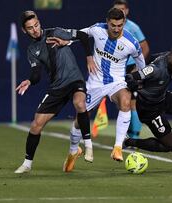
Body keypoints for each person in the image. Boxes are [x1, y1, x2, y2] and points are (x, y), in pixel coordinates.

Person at [49, 8, 146, 162]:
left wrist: (138, 78)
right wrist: (66, 41)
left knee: (126, 101)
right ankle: (73, 150)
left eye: (119, 25)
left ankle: (118, 148)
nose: (116, 29)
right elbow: (80, 34)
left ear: (123, 23)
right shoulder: (98, 29)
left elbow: (142, 64)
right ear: (107, 22)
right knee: (81, 119)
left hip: (116, 82)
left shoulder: (131, 43)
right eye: (113, 25)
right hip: (94, 82)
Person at [14, 11, 92, 173]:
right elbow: (36, 74)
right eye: (30, 28)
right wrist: (29, 80)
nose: (35, 30)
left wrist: (84, 54)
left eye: (36, 25)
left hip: (74, 79)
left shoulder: (55, 32)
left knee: (79, 103)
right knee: (36, 125)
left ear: (39, 23)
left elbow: (83, 36)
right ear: (24, 31)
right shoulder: (32, 50)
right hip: (57, 87)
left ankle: (88, 145)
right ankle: (27, 164)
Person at [123, 44, 172, 157]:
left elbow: (148, 59)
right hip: (149, 108)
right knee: (166, 147)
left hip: (162, 98)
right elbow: (129, 77)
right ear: (170, 57)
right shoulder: (156, 69)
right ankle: (128, 141)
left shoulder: (167, 57)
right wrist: (135, 86)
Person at [113, 0, 150, 139]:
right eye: (117, 9)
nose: (120, 11)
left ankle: (134, 138)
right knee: (122, 102)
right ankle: (128, 135)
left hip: (129, 68)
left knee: (132, 102)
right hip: (116, 69)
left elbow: (145, 47)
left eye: (122, 9)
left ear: (127, 11)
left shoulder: (133, 27)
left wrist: (136, 67)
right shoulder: (111, 27)